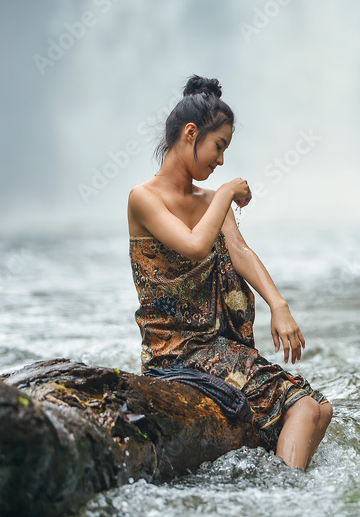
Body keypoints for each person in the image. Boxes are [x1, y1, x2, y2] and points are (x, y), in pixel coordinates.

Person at [127, 75, 332, 470]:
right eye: (218, 146)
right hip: (177, 352)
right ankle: (288, 500)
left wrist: (279, 304)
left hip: (216, 345)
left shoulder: (209, 201)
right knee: (304, 408)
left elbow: (239, 252)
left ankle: (277, 479)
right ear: (191, 134)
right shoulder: (143, 198)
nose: (220, 160)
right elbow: (195, 244)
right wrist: (223, 194)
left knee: (322, 410)